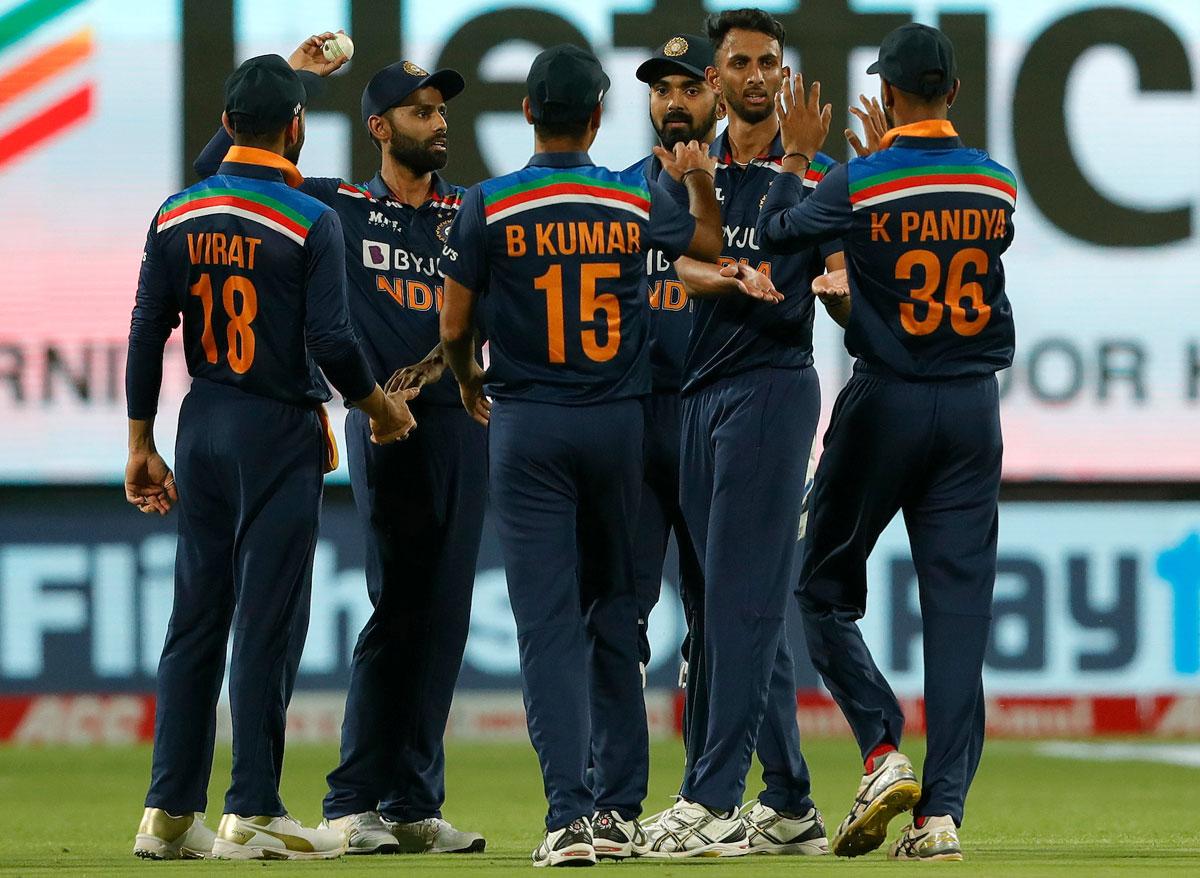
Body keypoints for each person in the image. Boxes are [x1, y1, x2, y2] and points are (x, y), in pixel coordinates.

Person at [193, 36, 488, 856]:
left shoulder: (470, 208)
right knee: (398, 608)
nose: (439, 125)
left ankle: (414, 802)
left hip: (462, 421)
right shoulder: (336, 208)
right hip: (384, 425)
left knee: (447, 614)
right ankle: (355, 800)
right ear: (378, 127)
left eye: (442, 112)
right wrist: (288, 82)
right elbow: (212, 184)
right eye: (421, 112)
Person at [439, 43, 722, 868]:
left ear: (526, 113)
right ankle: (619, 812)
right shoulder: (629, 198)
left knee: (546, 626)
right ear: (598, 117)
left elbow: (455, 329)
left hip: (528, 427)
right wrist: (701, 178)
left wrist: (465, 383)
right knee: (615, 613)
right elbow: (701, 242)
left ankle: (568, 815)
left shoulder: (487, 203)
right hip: (617, 426)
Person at [127, 54, 415, 861]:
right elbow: (330, 338)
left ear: (225, 126)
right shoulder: (307, 219)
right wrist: (378, 406)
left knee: (196, 619)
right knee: (267, 620)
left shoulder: (175, 211)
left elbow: (149, 330)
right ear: (297, 128)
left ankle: (168, 813)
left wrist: (140, 442)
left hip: (202, 421)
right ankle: (251, 807)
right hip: (275, 427)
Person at [757, 22, 1017, 862]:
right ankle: (940, 818)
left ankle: (881, 743)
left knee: (819, 585)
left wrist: (803, 162)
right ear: (954, 92)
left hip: (888, 399)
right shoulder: (996, 184)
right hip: (974, 409)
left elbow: (776, 232)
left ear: (891, 96)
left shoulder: (858, 182)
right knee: (959, 618)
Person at [642, 8, 840, 857]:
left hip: (771, 387)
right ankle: (789, 802)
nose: (757, 76)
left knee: (735, 603)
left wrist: (820, 253)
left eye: (769, 62)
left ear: (782, 74)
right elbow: (683, 256)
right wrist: (719, 268)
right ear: (716, 84)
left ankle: (712, 800)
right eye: (740, 64)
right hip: (699, 394)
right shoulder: (690, 166)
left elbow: (823, 255)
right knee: (728, 603)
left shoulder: (824, 169)